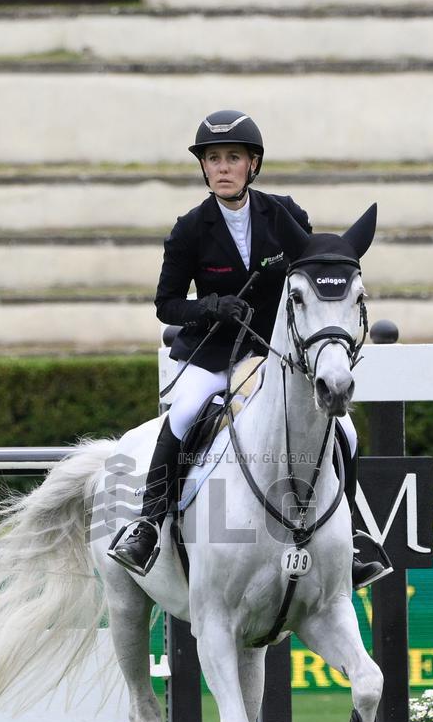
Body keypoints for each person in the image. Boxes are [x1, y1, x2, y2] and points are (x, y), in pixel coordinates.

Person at [108, 109, 390, 588]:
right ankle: (148, 525)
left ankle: (357, 535)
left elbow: (312, 275)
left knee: (346, 431)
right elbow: (166, 305)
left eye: (232, 158)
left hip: (277, 356)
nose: (221, 167)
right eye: (213, 158)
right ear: (204, 167)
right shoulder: (190, 228)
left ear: (252, 165)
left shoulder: (285, 215)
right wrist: (211, 307)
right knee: (184, 414)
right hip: (216, 355)